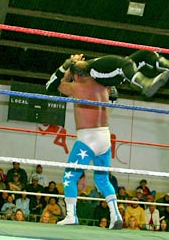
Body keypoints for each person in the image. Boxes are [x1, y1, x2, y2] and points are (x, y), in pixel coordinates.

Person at [47, 54, 128, 229]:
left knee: (69, 177)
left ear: (77, 75)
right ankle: (116, 216)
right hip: (105, 137)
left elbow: (56, 85)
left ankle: (71, 215)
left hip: (88, 138)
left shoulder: (77, 87)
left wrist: (68, 67)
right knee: (102, 179)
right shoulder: (104, 86)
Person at [46, 50, 169, 98]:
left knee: (143, 54)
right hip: (101, 77)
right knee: (121, 64)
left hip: (108, 76)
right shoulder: (75, 78)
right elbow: (49, 88)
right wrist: (66, 66)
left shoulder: (90, 66)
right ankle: (144, 84)